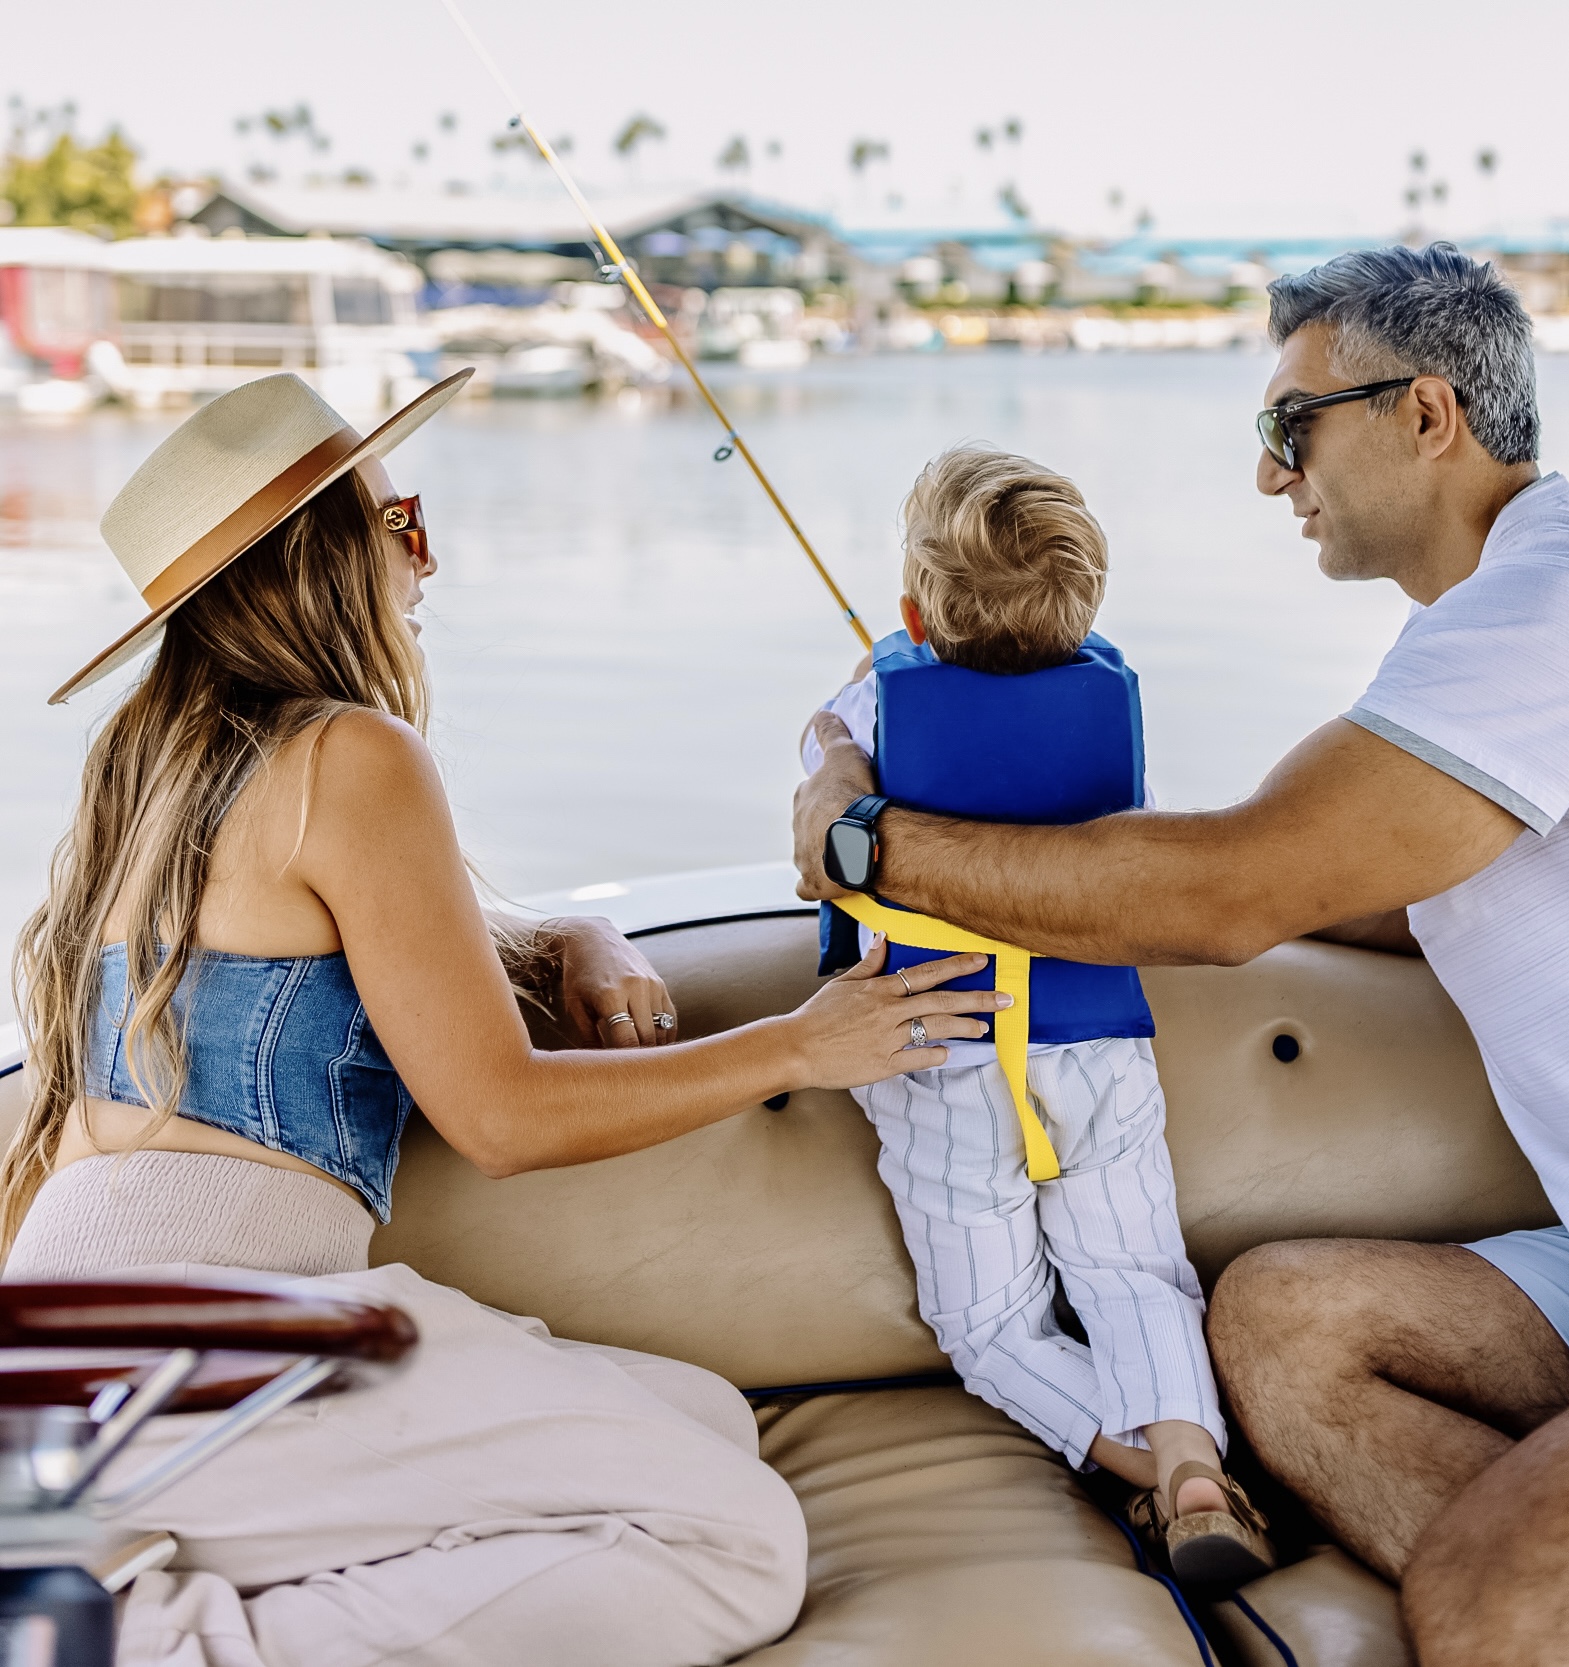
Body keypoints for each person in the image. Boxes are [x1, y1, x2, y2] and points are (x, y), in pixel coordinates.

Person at [7, 370, 1005, 1667]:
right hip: (196, 1345)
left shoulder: (148, 765)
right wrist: (807, 1040)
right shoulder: (350, 753)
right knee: (736, 1539)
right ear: (325, 555)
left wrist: (577, 936)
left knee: (700, 1415)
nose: (429, 555)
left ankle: (130, 1595)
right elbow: (498, 1114)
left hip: (66, 1355)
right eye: (399, 518)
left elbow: (355, 953)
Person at [792, 244, 1569, 1667]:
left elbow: (1232, 890)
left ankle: (1542, 1600)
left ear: (1423, 414)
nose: (1270, 477)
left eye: (1287, 426)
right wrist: (1132, 881)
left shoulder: (1553, 610)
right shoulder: (1501, 624)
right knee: (1276, 1320)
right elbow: (1361, 884)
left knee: (1505, 1601)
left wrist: (860, 843)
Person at [801, 446, 1272, 1583]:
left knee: (992, 1326)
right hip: (1098, 1042)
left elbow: (825, 831)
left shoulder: (874, 696)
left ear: (912, 607)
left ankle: (1128, 1463)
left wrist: (836, 723)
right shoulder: (1108, 695)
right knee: (1135, 1276)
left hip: (942, 1047)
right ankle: (1197, 1470)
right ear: (1084, 603)